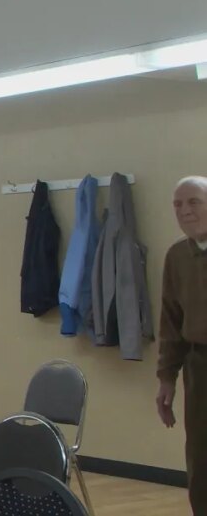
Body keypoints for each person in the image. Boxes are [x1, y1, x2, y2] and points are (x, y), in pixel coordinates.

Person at [156, 176, 207, 515]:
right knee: (201, 459)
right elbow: (171, 321)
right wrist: (166, 378)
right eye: (178, 204)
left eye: (194, 202)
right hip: (199, 366)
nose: (185, 211)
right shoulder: (177, 256)